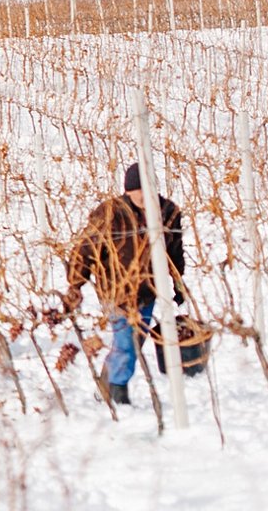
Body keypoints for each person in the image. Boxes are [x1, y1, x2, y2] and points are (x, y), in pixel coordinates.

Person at [60, 162, 186, 406]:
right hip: (116, 292)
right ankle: (118, 394)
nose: (142, 197)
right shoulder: (110, 213)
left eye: (146, 190)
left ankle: (106, 383)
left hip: (148, 291)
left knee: (135, 342)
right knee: (126, 344)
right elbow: (85, 250)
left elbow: (175, 252)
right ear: (127, 192)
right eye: (136, 192)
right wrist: (75, 285)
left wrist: (178, 282)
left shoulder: (168, 212)